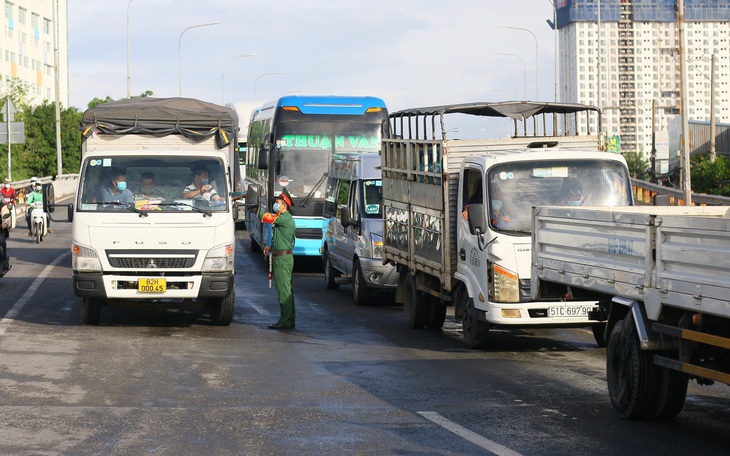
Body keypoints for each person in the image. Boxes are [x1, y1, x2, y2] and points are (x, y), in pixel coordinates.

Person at [261, 187, 296, 330]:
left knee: (283, 291)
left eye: (278, 202)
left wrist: (256, 209)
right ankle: (289, 319)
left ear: (284, 205)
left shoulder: (284, 218)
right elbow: (281, 237)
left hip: (282, 260)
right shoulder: (283, 218)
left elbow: (265, 217)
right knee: (287, 290)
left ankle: (285, 321)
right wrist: (271, 246)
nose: (276, 205)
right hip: (282, 256)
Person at [1, 201, 11, 276]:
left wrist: (5, 223)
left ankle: (4, 262)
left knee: (1, 241)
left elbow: (6, 216)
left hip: (0, 230)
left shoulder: (2, 206)